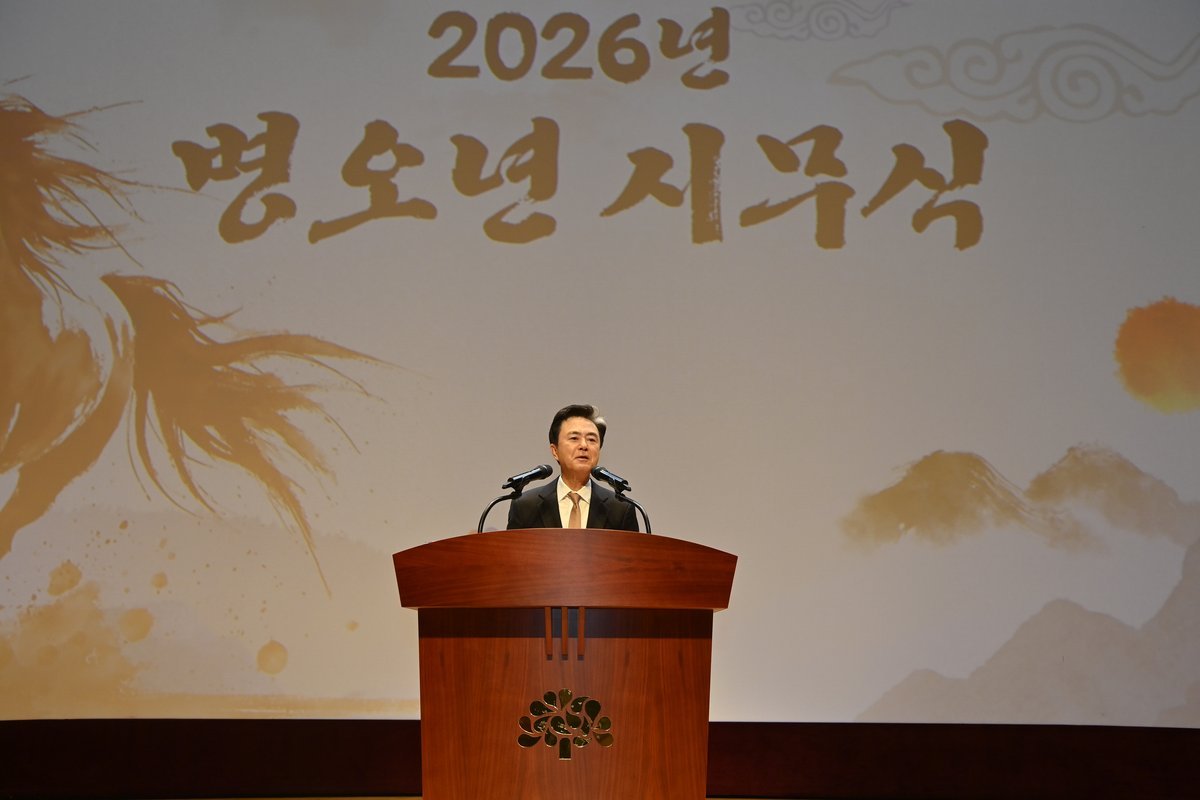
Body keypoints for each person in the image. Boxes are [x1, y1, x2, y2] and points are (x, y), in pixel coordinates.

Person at [507, 404, 639, 531]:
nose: (584, 446)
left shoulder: (620, 508)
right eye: (574, 438)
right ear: (555, 451)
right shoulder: (526, 506)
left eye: (591, 439)